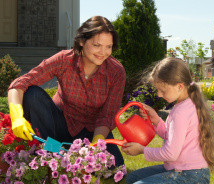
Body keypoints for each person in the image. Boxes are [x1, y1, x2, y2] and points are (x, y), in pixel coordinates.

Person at [7, 16, 126, 166]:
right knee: (33, 94)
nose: (103, 52)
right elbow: (20, 84)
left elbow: (107, 115)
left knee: (114, 168)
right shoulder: (64, 60)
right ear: (82, 41)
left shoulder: (116, 72)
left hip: (93, 130)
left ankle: (69, 155)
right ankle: (53, 152)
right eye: (97, 45)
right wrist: (16, 116)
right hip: (60, 124)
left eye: (108, 46)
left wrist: (96, 144)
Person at [121, 57, 214, 184]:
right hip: (189, 171)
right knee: (132, 179)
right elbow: (172, 136)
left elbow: (170, 153)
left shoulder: (181, 112)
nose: (159, 95)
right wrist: (155, 119)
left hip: (187, 174)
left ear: (179, 86)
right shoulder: (186, 104)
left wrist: (143, 150)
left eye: (162, 90)